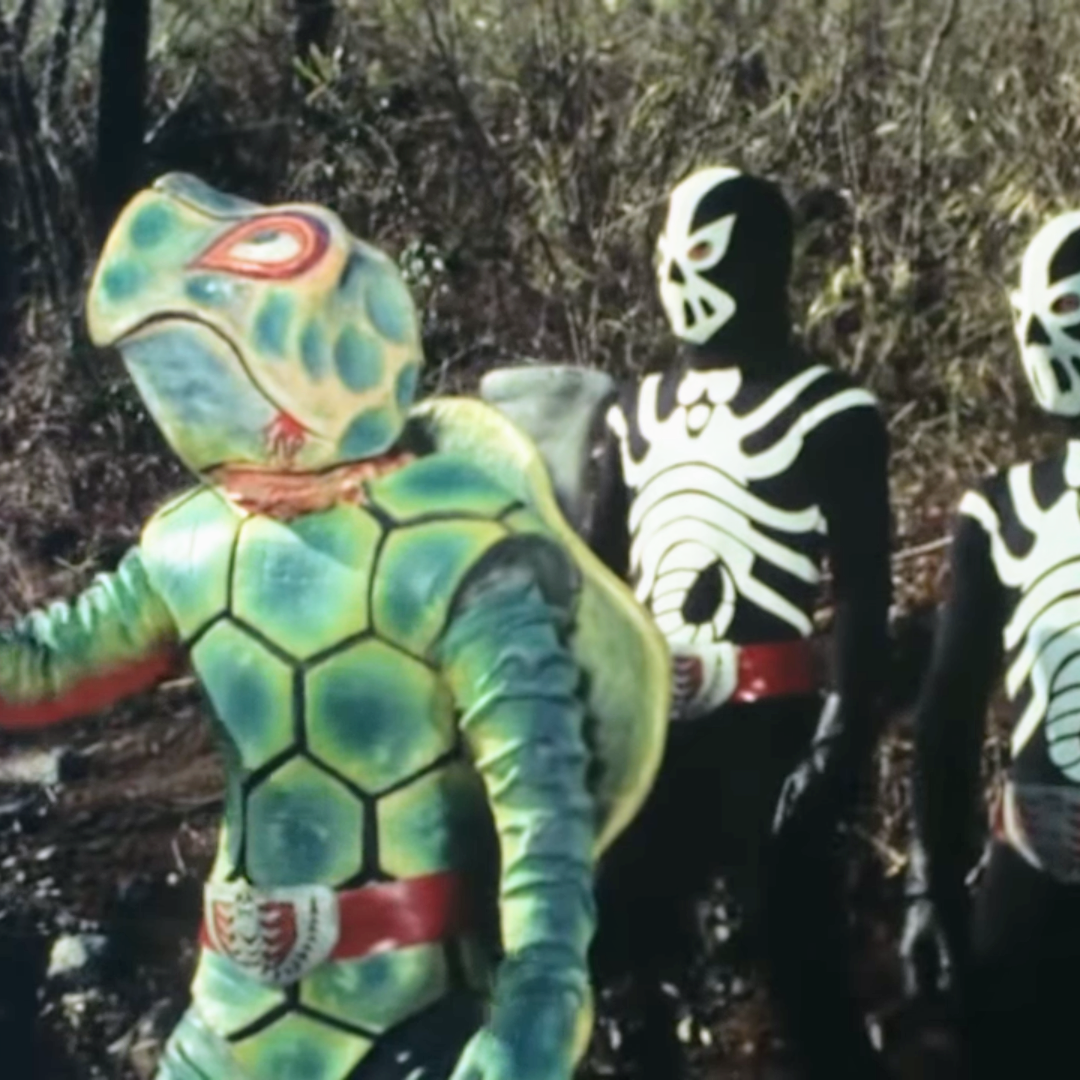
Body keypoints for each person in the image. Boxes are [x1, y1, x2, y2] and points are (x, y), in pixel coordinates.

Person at [0, 173, 669, 1080]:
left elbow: (540, 811)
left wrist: (536, 1006)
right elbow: (41, 668)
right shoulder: (190, 545)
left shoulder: (458, 549)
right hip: (232, 1010)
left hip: (405, 1012)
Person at [586, 165, 893, 1080]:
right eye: (669, 254)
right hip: (652, 732)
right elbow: (599, 582)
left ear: (762, 262)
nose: (680, 275)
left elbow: (864, 594)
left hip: (774, 727)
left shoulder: (832, 410)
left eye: (705, 254)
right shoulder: (632, 411)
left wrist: (841, 739)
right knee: (620, 961)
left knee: (801, 970)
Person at [903, 208, 1080, 1077]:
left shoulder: (1003, 509)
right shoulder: (1000, 508)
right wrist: (930, 884)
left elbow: (945, 719)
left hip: (1032, 882)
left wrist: (930, 885)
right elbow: (946, 717)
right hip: (1034, 880)